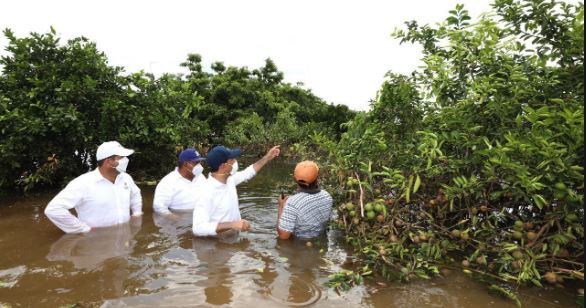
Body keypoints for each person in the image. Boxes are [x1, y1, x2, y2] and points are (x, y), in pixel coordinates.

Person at [44, 141, 142, 234]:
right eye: (121, 157)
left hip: (123, 240)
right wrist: (83, 229)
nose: (126, 160)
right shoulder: (83, 183)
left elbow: (135, 194)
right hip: (96, 243)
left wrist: (137, 213)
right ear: (109, 161)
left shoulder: (126, 178)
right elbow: (54, 209)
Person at [192, 145, 280, 237]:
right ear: (223, 166)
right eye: (232, 160)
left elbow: (248, 172)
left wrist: (267, 157)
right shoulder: (206, 192)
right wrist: (232, 224)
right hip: (218, 244)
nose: (235, 162)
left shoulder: (230, 180)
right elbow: (198, 228)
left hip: (233, 239)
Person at [276, 160, 333, 240]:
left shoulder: (293, 203)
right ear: (317, 177)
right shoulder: (327, 196)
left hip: (299, 244)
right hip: (320, 241)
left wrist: (281, 206)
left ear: (295, 178)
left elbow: (283, 236)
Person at [153, 148, 206, 217]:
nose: (200, 165)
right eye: (196, 163)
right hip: (180, 222)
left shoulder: (201, 177)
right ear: (186, 164)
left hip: (199, 219)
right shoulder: (168, 182)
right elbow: (159, 207)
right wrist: (174, 218)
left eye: (200, 162)